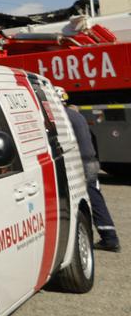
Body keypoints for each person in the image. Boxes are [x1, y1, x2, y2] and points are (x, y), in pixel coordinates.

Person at [61, 89, 121, 252]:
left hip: (81, 163)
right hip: (91, 160)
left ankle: (108, 239)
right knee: (95, 196)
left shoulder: (63, 117)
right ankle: (109, 236)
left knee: (88, 199)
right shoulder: (77, 115)